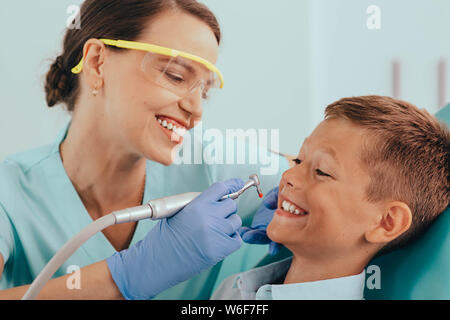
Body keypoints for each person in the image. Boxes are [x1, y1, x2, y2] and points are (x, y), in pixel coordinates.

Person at [0, 0, 288, 299]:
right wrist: (128, 275)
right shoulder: (10, 192)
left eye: (204, 91)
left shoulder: (214, 168)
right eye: (175, 76)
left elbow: (323, 171)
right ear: (97, 62)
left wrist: (301, 201)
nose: (196, 109)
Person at [213, 95, 450, 299]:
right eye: (298, 160)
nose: (288, 175)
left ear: (386, 222)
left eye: (322, 172)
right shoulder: (236, 288)